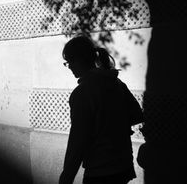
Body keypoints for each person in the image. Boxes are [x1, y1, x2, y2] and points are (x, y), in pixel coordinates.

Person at [59, 35, 143, 184]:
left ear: (80, 59)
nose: (69, 66)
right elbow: (137, 115)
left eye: (70, 61)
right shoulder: (116, 83)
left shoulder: (82, 93)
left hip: (100, 170)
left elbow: (78, 141)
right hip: (123, 165)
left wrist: (67, 176)